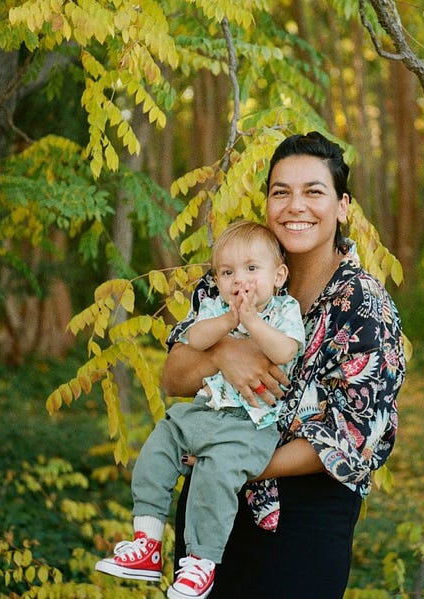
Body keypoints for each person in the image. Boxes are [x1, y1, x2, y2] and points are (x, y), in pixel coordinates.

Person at [162, 131, 406, 598]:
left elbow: (354, 435)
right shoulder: (236, 275)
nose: (296, 206)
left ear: (342, 206)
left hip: (302, 527)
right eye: (281, 192)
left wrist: (241, 463)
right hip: (210, 515)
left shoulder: (364, 307)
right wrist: (220, 354)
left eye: (314, 191)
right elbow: (172, 377)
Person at [94, 220, 305, 599]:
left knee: (214, 478)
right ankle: (147, 541)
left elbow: (285, 351)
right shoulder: (214, 306)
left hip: (249, 424)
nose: (239, 280)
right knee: (158, 447)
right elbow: (193, 339)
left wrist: (252, 323)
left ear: (279, 276)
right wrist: (228, 320)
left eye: (252, 269)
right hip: (204, 412)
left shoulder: (284, 309)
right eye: (227, 272)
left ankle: (202, 563)